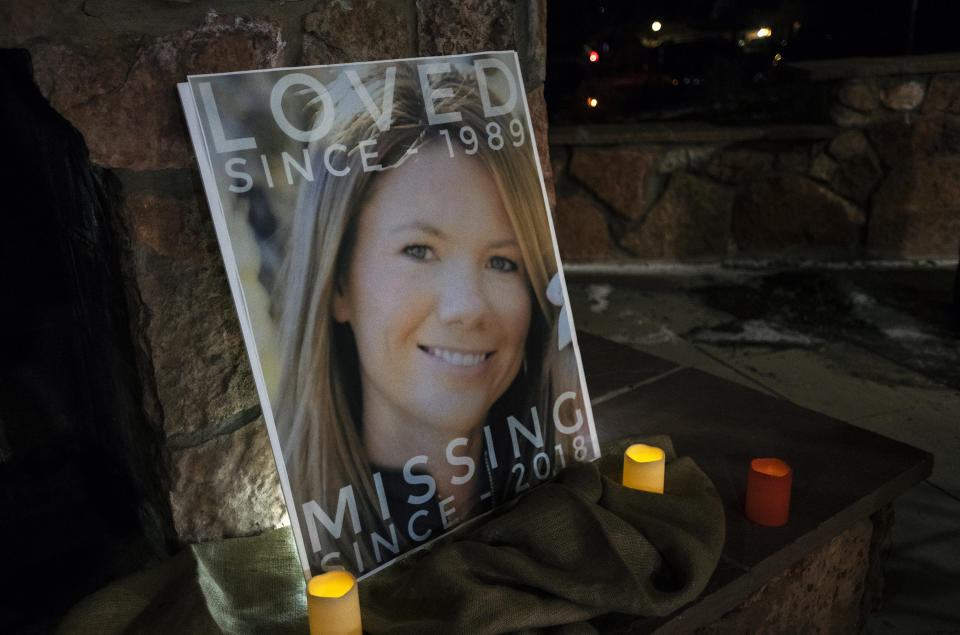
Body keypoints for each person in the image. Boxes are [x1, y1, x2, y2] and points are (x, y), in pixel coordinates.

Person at [270, 59, 588, 575]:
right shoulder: (307, 545)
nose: (467, 307)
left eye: (504, 262)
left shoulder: (551, 488)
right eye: (419, 250)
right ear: (340, 285)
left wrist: (571, 434)